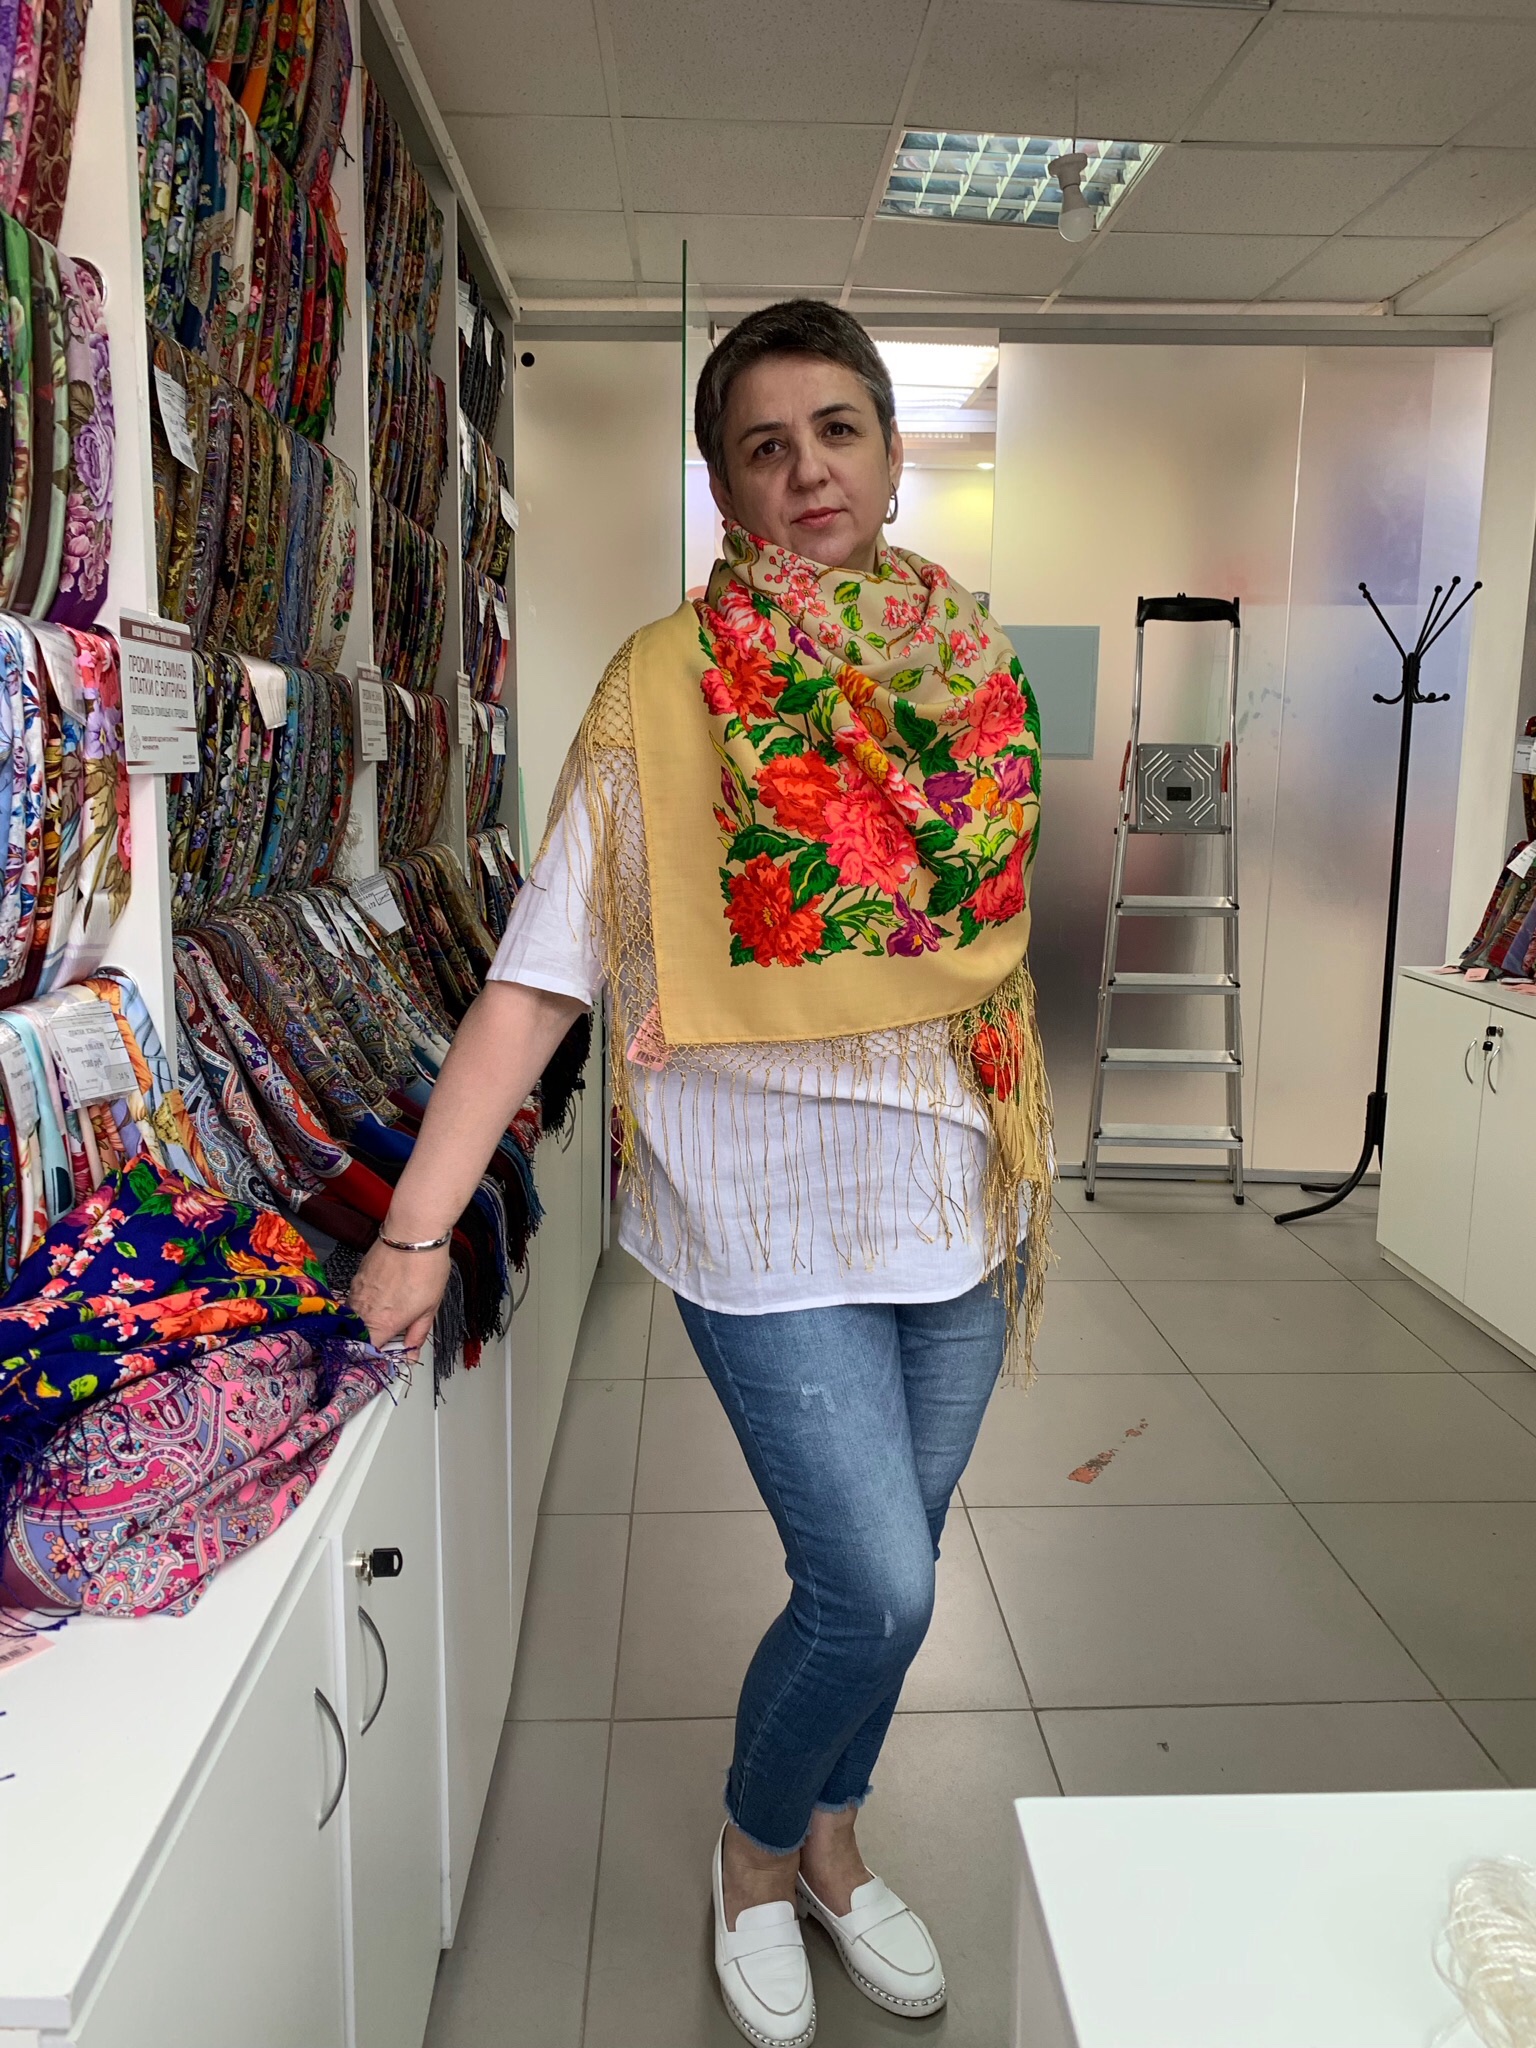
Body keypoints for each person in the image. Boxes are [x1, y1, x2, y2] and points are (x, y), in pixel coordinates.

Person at [348, 300, 1051, 2046]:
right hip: (760, 1216)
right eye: (764, 446)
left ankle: (834, 1839)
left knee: (897, 1581)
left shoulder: (972, 669)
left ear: (892, 451)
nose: (808, 470)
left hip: (960, 1205)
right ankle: (751, 1854)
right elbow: (537, 985)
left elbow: (989, 959)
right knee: (874, 1587)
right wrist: (418, 1230)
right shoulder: (663, 688)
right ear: (726, 487)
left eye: (839, 430)